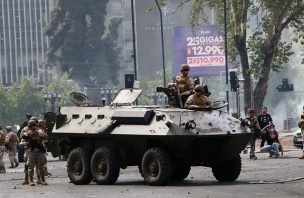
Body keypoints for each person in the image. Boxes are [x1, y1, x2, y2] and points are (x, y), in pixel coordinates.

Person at [20, 119, 47, 186]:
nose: (33, 126)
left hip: (39, 151)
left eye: (34, 125)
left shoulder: (39, 131)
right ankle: (31, 180)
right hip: (31, 151)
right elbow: (21, 143)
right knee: (30, 166)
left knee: (41, 166)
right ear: (29, 125)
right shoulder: (26, 133)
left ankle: (42, 180)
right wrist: (27, 143)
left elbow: (46, 137)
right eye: (32, 125)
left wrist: (41, 137)